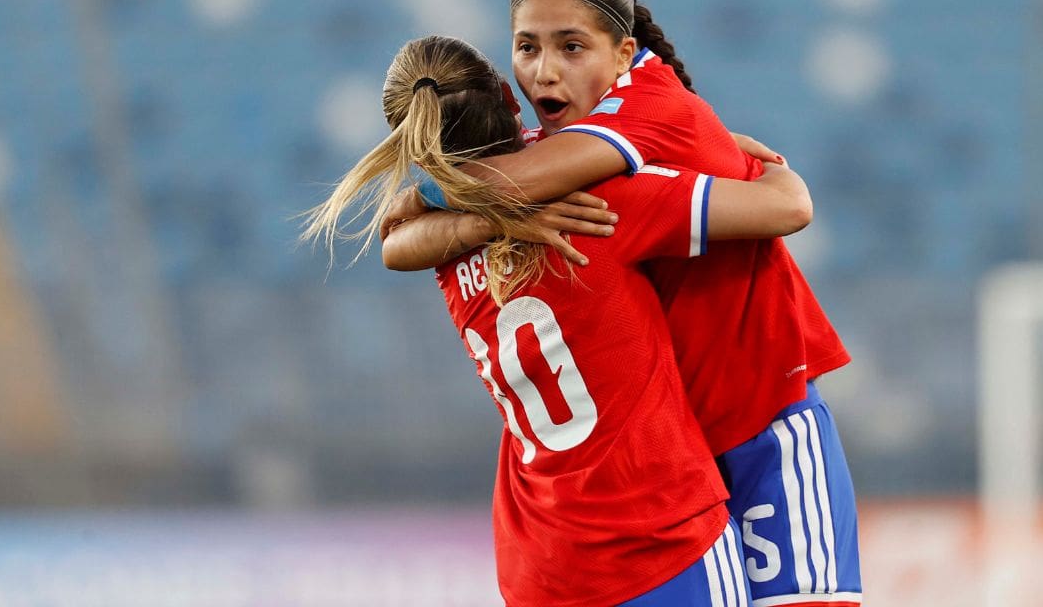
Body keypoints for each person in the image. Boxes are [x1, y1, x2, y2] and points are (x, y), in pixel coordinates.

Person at [382, 0, 862, 606]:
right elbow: (404, 231)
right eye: (526, 47)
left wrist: (448, 195)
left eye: (570, 47)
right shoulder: (560, 167)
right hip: (673, 456)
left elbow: (402, 234)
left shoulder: (635, 119)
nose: (542, 71)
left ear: (623, 54)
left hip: (758, 422)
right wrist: (484, 217)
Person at [303, 35, 819, 606]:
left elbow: (395, 240)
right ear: (508, 95)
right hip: (658, 535)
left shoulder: (443, 240)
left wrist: (482, 221)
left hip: (540, 559)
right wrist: (764, 164)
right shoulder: (600, 205)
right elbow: (785, 208)